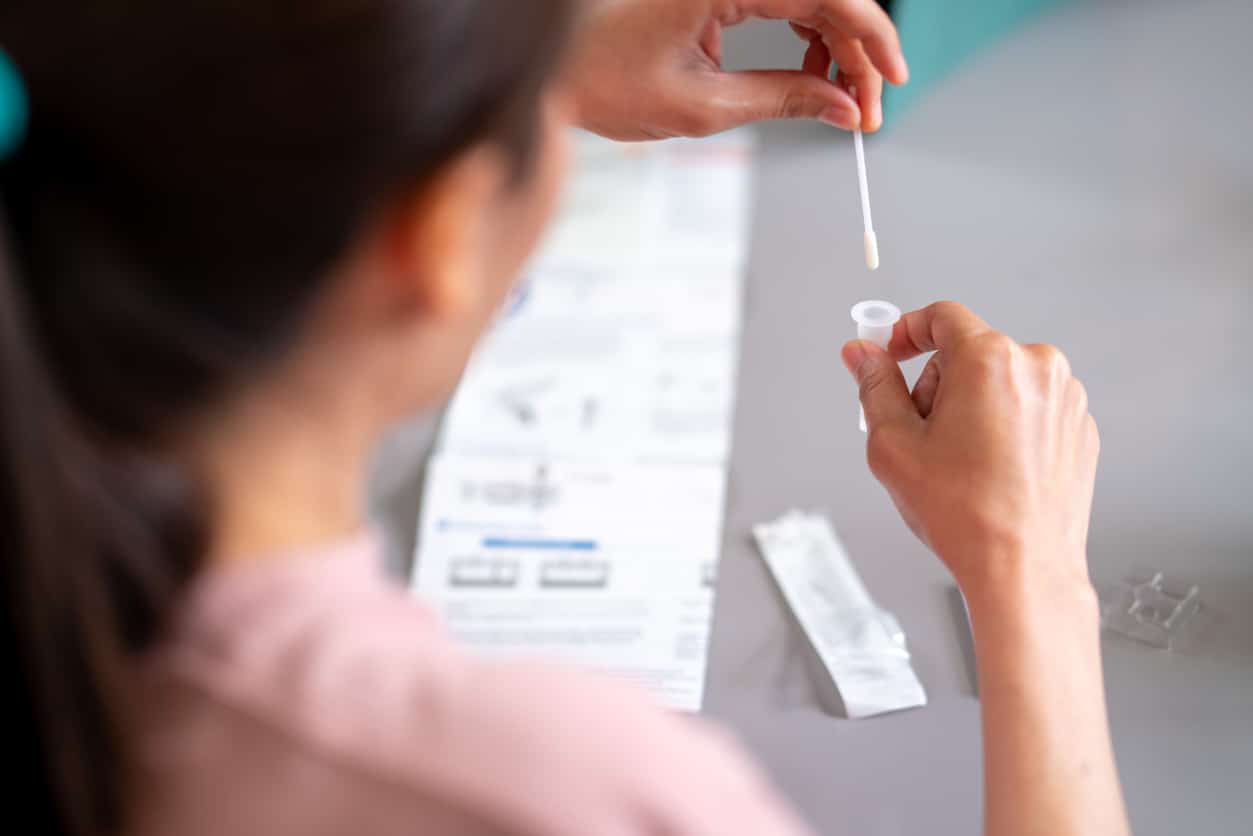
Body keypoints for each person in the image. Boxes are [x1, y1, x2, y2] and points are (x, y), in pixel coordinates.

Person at [0, 1, 1128, 835]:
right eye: (545, 121)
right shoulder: (562, 789)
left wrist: (518, 69)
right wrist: (1028, 572)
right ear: (434, 235)